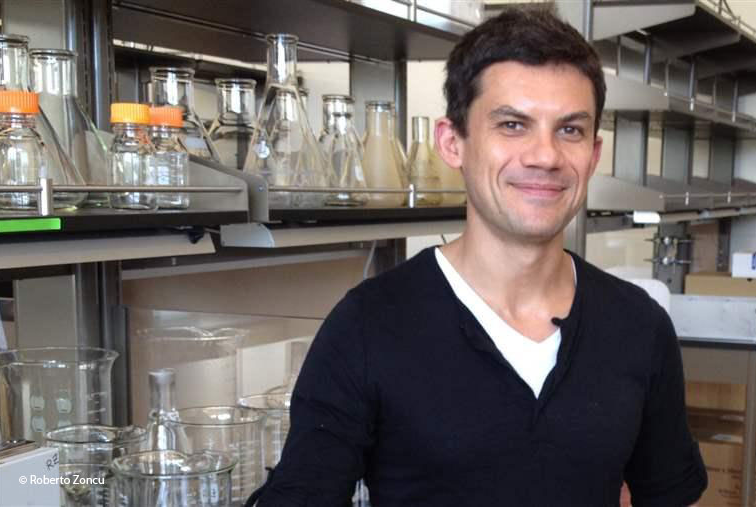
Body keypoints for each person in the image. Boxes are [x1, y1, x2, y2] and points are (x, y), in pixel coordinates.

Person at [257, 7, 707, 506]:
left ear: (594, 155)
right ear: (453, 143)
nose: (545, 156)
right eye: (513, 125)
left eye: (570, 130)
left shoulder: (638, 327)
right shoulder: (369, 325)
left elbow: (666, 496)